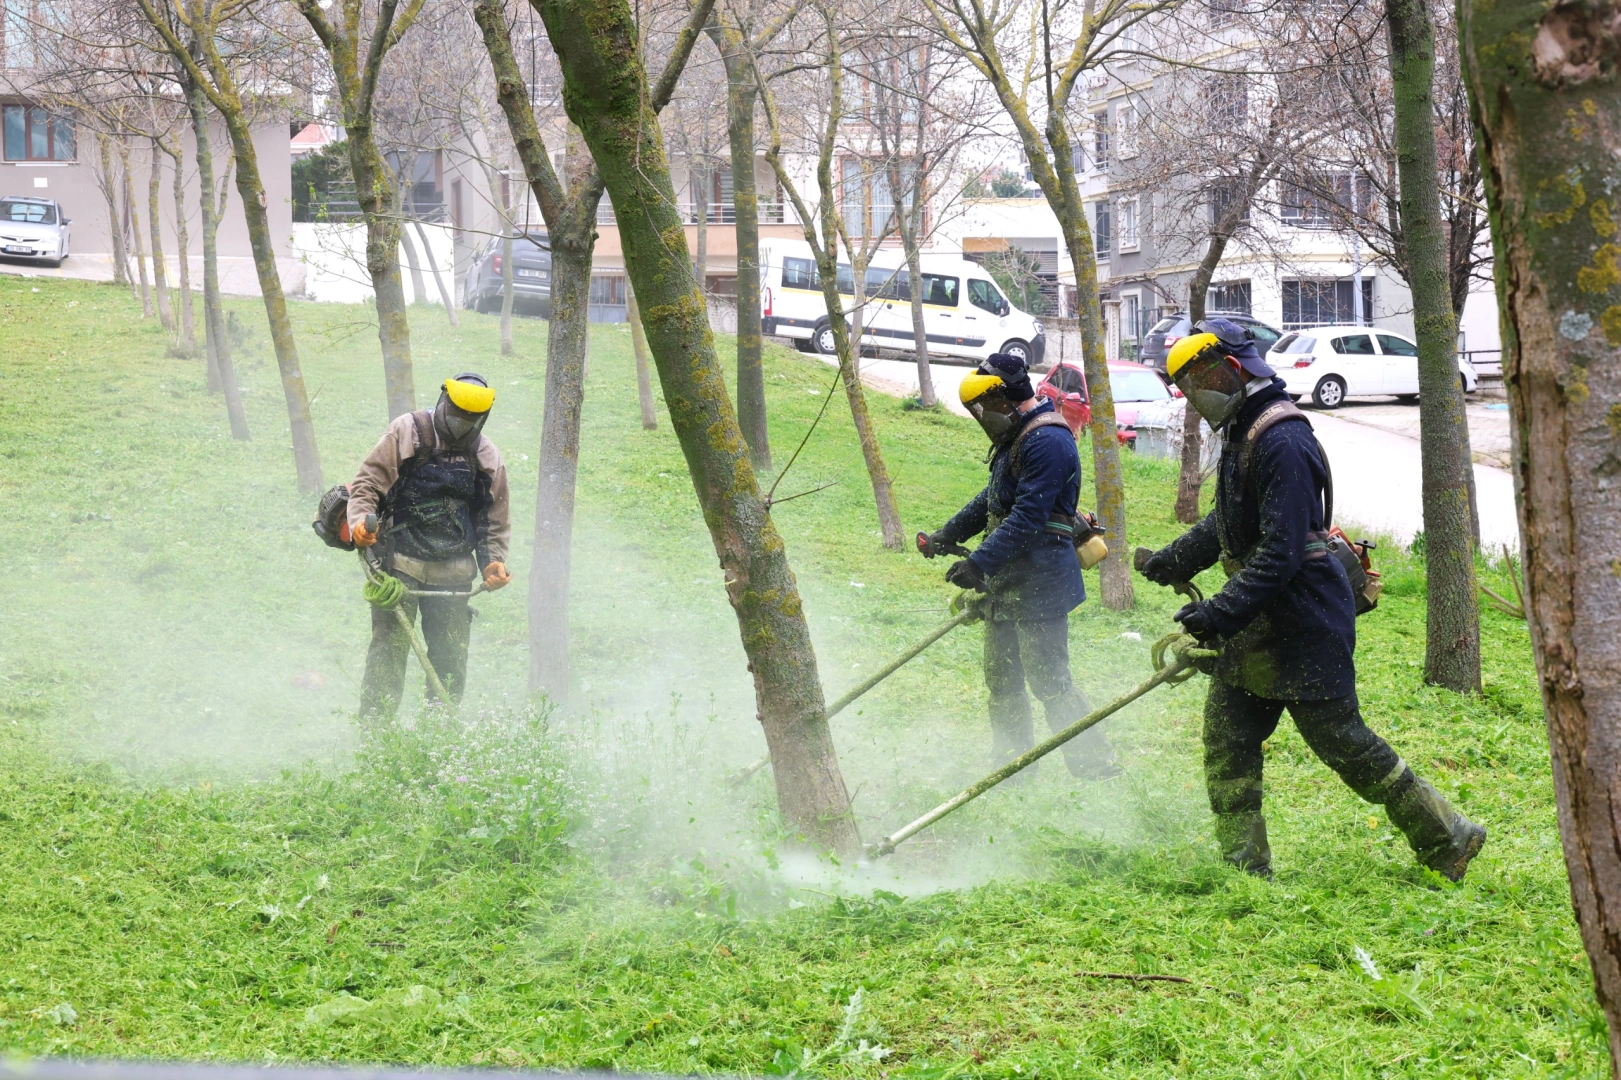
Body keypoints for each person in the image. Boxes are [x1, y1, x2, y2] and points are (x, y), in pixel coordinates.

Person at [1139, 320, 1485, 880]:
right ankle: (1244, 865)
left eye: (1202, 378)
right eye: (1188, 384)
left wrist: (1217, 613)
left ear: (1234, 369)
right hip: (1258, 619)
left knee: (1343, 743)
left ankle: (1449, 834)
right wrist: (1177, 558)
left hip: (1303, 620)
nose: (1197, 392)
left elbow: (1282, 552)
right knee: (1228, 738)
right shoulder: (1245, 430)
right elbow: (1231, 519)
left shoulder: (1284, 439)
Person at [921, 353, 1118, 780]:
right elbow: (991, 499)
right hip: (1008, 578)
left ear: (1008, 399)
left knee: (1049, 680)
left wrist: (979, 562)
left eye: (987, 406)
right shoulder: (1018, 436)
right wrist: (948, 533)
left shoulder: (1048, 440)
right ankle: (1014, 764)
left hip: (1041, 580)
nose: (984, 415)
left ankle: (1095, 764)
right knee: (1002, 678)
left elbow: (1029, 516)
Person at [348, 373, 512, 716]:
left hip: (454, 574)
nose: (460, 427)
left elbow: (493, 518)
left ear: (482, 417)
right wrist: (360, 522)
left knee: (450, 662)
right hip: (398, 566)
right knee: (388, 655)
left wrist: (493, 562)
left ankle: (440, 733)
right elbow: (368, 484)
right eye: (455, 417)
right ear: (443, 402)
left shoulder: (487, 456)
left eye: (470, 421)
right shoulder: (407, 432)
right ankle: (375, 734)